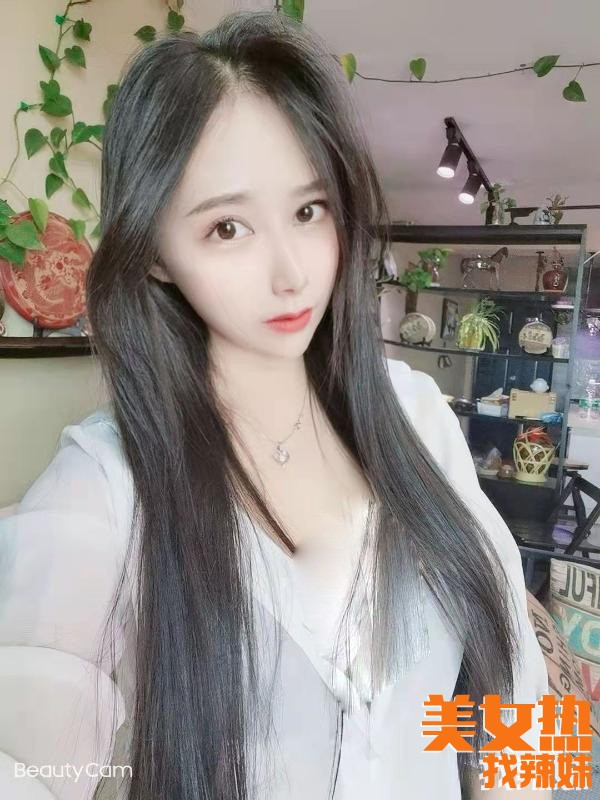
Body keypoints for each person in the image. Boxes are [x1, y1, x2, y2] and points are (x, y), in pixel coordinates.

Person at [0, 9, 551, 800]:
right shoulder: (106, 489)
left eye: (308, 210)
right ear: (154, 253)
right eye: (228, 227)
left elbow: (513, 679)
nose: (292, 273)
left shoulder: (416, 414)